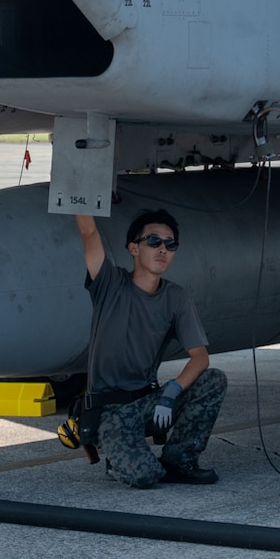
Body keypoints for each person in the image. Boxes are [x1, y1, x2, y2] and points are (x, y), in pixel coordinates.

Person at [74, 208, 227, 488]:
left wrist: (172, 392)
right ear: (134, 248)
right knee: (144, 477)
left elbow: (200, 357)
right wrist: (81, 190)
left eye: (170, 244)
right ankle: (117, 456)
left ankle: (180, 459)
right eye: (154, 241)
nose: (163, 249)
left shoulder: (176, 298)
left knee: (213, 380)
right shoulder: (110, 283)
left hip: (149, 403)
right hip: (109, 410)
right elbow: (89, 233)